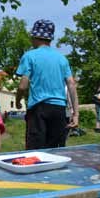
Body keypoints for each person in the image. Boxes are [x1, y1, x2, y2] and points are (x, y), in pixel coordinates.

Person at [15, 19, 79, 150]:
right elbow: (71, 85)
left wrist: (18, 100)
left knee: (35, 152)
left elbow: (22, 86)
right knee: (56, 152)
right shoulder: (62, 59)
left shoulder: (30, 56)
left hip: (39, 109)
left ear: (35, 37)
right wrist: (75, 114)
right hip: (59, 110)